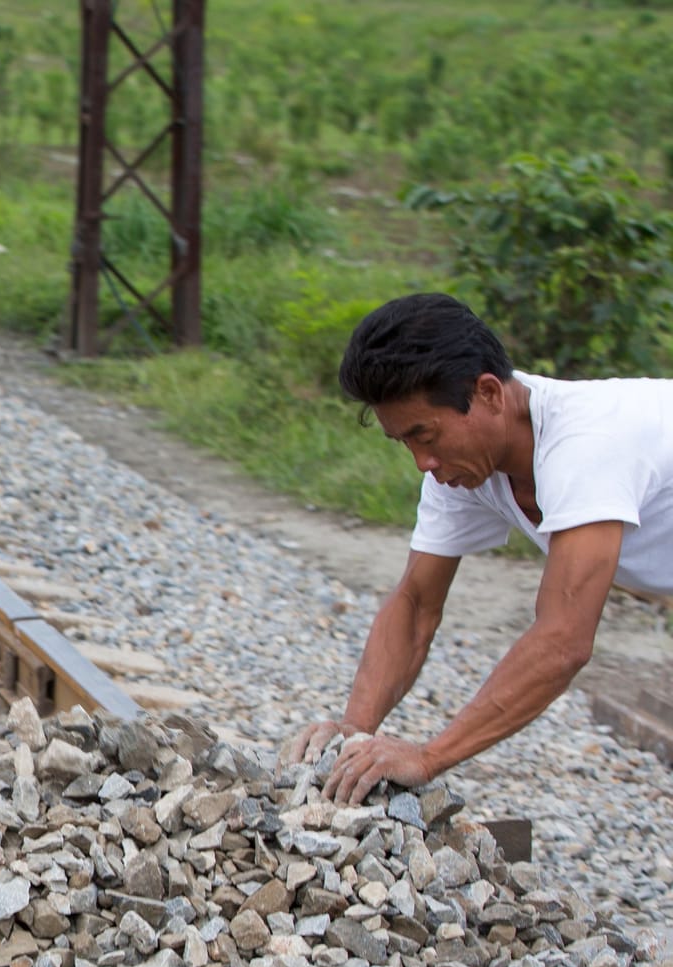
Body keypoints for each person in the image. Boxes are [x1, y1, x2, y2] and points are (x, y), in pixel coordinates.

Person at [283, 292, 672, 803]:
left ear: (489, 394)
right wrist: (355, 735)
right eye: (404, 443)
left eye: (425, 435)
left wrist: (428, 756)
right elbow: (416, 604)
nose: (422, 462)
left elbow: (563, 640)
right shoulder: (461, 468)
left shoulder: (587, 444)